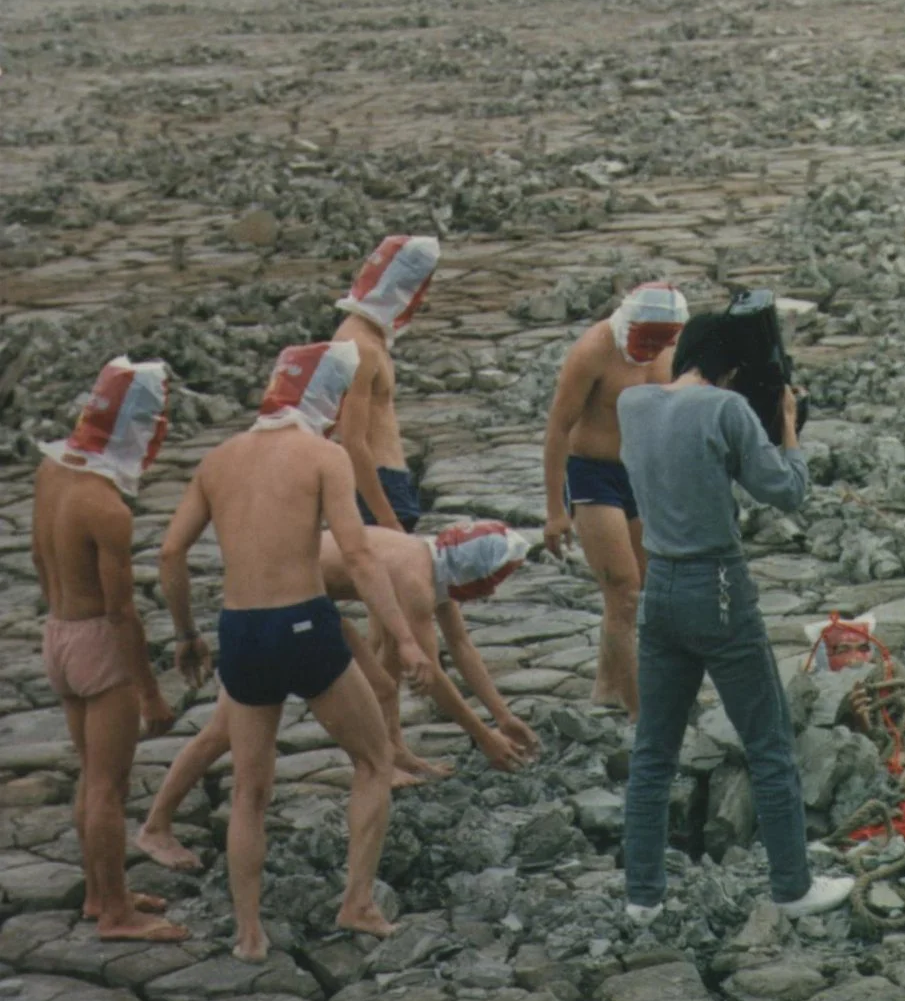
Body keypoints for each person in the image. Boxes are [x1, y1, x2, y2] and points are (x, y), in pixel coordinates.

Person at [158, 341, 437, 962]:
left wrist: (185, 633)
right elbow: (358, 556)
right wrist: (406, 640)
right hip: (304, 625)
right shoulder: (324, 456)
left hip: (241, 631)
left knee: (249, 793)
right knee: (373, 762)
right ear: (328, 399)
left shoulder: (218, 460)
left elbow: (171, 552)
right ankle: (358, 902)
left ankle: (249, 934)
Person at [616, 310, 853, 923]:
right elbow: (787, 490)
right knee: (768, 744)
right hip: (718, 587)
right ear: (732, 371)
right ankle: (793, 886)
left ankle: (642, 897)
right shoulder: (726, 409)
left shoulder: (632, 405)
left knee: (653, 752)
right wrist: (788, 425)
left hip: (659, 587)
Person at [139, 520, 539, 871]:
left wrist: (503, 717)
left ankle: (396, 755)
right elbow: (431, 674)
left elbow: (462, 646)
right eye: (492, 583)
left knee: (382, 686)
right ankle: (156, 826)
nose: (489, 596)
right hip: (269, 603)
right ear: (475, 575)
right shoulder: (415, 579)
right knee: (224, 729)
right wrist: (484, 737)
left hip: (305, 598)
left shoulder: (434, 558)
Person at [32, 358, 188, 942]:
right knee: (109, 785)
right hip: (98, 641)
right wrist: (149, 691)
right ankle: (120, 914)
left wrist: (63, 615)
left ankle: (100, 894)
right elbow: (122, 612)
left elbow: (36, 558)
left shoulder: (50, 473)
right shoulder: (106, 508)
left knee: (90, 775)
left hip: (58, 631)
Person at [542, 282, 689, 717]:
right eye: (646, 339)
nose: (653, 349)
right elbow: (557, 429)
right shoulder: (593, 351)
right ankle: (641, 709)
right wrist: (554, 511)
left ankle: (607, 686)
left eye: (662, 341)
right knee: (622, 592)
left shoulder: (672, 348)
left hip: (642, 474)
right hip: (593, 473)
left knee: (644, 588)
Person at [334, 235, 441, 534]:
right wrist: (386, 516)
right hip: (380, 485)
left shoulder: (371, 338)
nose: (422, 300)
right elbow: (352, 440)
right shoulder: (360, 346)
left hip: (392, 480)